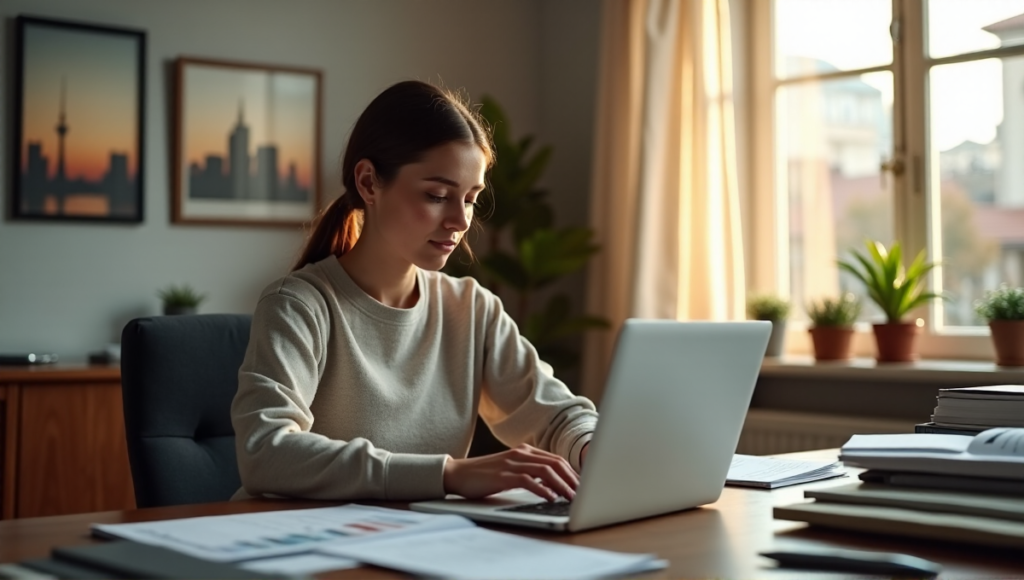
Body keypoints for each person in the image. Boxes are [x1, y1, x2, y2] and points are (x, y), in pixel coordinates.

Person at [231, 80, 598, 503]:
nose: (461, 221)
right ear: (369, 183)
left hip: (418, 543)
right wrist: (448, 474)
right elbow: (266, 452)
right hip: (299, 549)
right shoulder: (298, 306)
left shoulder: (471, 309)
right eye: (437, 195)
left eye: (471, 198)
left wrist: (590, 447)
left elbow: (553, 415)